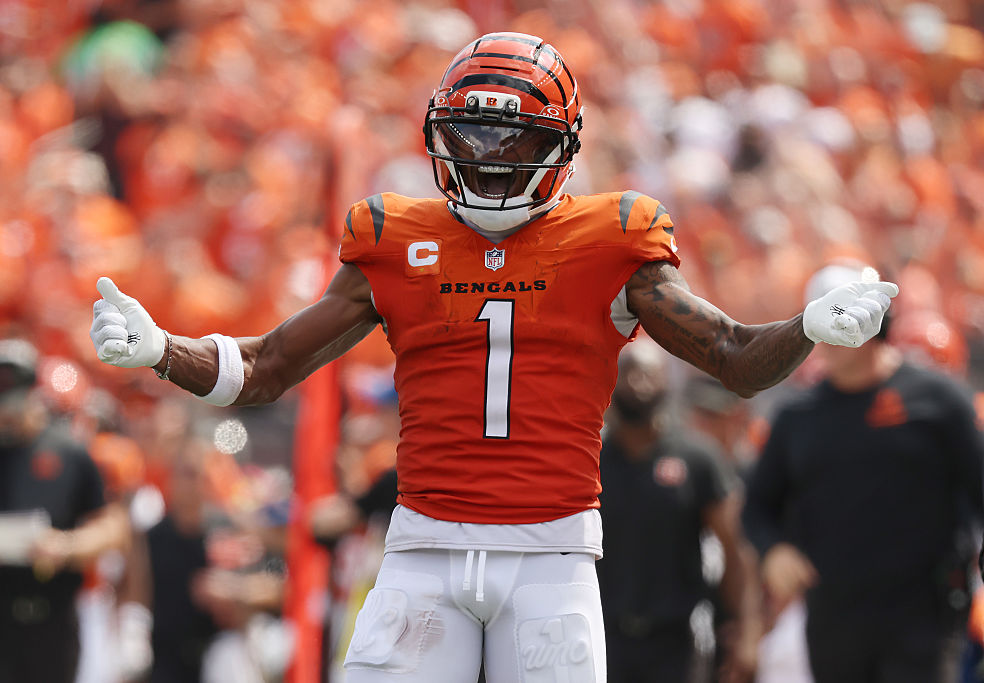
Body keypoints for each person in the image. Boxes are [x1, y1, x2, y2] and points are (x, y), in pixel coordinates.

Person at [89, 32, 898, 683]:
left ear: (562, 145)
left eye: (514, 139)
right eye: (471, 134)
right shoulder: (393, 234)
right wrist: (163, 349)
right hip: (421, 549)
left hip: (551, 556)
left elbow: (733, 356)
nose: (490, 156)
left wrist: (806, 327)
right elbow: (263, 368)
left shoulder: (611, 238)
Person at [743, 262, 983, 683]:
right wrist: (774, 550)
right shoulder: (798, 416)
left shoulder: (938, 401)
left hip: (924, 613)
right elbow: (758, 506)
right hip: (835, 615)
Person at [0, 339, 127, 683]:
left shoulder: (70, 453)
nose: (4, 417)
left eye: (13, 405)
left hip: (54, 620)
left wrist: (66, 546)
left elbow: (112, 526)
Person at [598, 341, 762, 683]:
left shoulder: (697, 459)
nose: (639, 384)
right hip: (600, 631)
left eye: (649, 375)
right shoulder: (590, 461)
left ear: (666, 383)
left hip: (678, 637)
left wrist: (746, 632)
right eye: (630, 374)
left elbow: (736, 550)